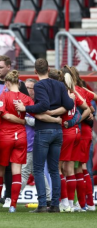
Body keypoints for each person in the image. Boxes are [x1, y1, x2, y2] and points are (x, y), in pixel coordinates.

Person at [15, 58, 74, 213]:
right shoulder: (60, 85)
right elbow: (69, 105)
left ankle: (42, 204)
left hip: (43, 131)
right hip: (57, 131)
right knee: (54, 170)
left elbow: (43, 105)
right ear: (49, 69)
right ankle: (55, 205)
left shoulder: (39, 85)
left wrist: (25, 107)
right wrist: (56, 113)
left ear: (35, 71)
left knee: (39, 169)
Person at [48, 70, 88, 212]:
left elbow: (63, 109)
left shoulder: (63, 94)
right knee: (69, 169)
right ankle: (71, 204)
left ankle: (64, 203)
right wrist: (74, 122)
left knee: (57, 168)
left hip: (66, 133)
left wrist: (50, 113)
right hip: (76, 133)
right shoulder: (73, 93)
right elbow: (87, 110)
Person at [0, 55, 30, 208]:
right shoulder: (26, 98)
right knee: (17, 171)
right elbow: (36, 112)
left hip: (5, 136)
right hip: (21, 136)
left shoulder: (4, 94)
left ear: (7, 83)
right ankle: (13, 205)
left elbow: (0, 113)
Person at [20, 78, 52, 209]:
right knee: (36, 171)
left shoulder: (39, 104)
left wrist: (24, 119)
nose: (28, 90)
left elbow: (39, 121)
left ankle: (11, 197)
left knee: (25, 172)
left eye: (30, 87)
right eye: (26, 87)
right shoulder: (24, 103)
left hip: (33, 143)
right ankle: (49, 198)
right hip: (26, 142)